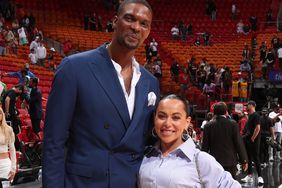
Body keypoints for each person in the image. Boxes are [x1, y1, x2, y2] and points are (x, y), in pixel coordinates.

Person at [42, 1, 160, 187]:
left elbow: (148, 142)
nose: (136, 27)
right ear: (115, 21)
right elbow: (53, 142)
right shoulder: (74, 68)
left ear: (148, 31)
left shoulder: (150, 82)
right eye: (130, 18)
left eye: (143, 23)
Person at [139, 95, 241, 187]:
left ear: (187, 122)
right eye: (161, 116)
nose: (167, 123)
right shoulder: (144, 155)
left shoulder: (200, 160)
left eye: (176, 118)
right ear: (154, 118)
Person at [202, 102, 248, 179]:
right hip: (230, 161)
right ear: (226, 111)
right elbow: (238, 143)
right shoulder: (233, 124)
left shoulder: (208, 126)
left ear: (214, 112)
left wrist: (202, 163)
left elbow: (205, 146)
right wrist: (244, 160)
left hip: (214, 161)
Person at [241, 101, 264, 185]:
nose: (246, 106)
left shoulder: (256, 115)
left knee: (256, 158)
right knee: (249, 159)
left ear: (252, 105)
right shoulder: (250, 116)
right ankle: (249, 176)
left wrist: (253, 138)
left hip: (253, 140)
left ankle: (260, 177)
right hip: (248, 140)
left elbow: (257, 128)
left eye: (248, 105)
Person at [0, 107, 16, 182]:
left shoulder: (8, 129)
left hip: (5, 165)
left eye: (0, 113)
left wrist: (13, 168)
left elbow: (12, 150)